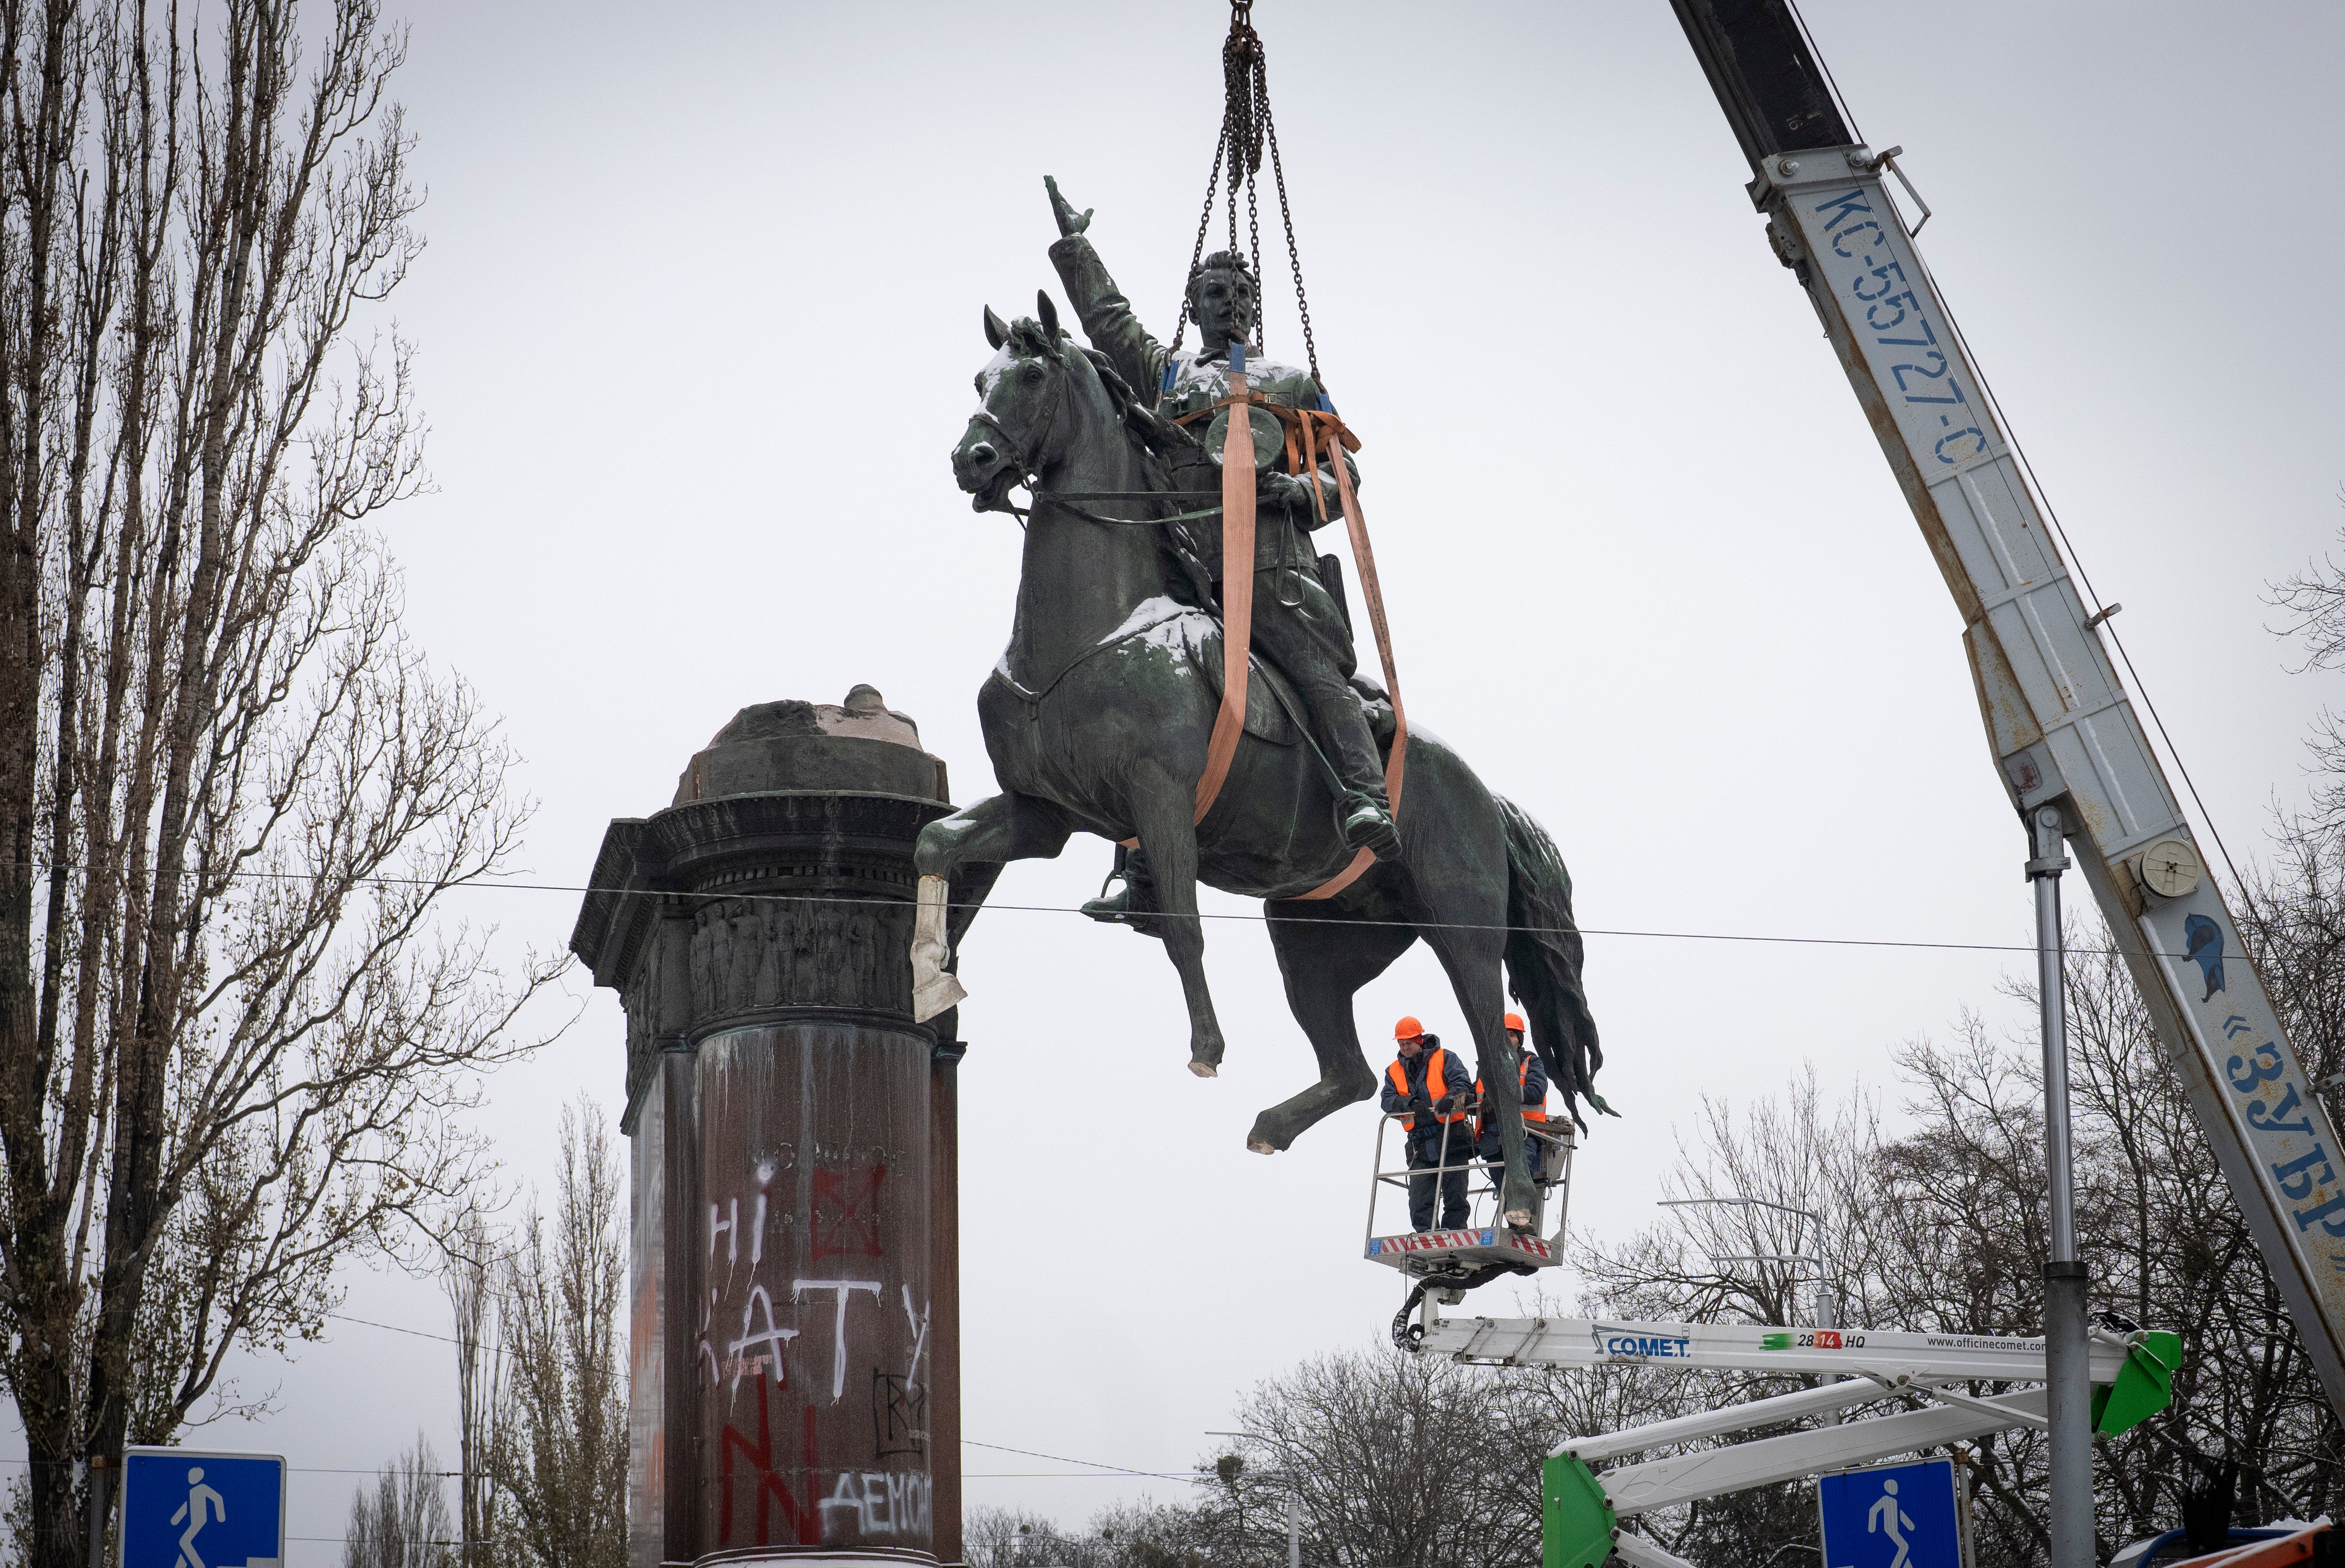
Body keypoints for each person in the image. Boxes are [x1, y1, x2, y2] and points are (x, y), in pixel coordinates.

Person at [1042, 176, 1398, 879]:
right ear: (1194, 304)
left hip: (1272, 572)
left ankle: (1365, 796)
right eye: (1215, 294)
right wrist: (1076, 247)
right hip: (1182, 568)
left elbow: (1345, 478)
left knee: (1307, 668)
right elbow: (1110, 322)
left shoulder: (1290, 382)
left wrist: (1294, 489)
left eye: (1239, 295)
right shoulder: (1168, 374)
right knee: (1131, 690)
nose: (1229, 304)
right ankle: (1140, 866)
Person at [1379, 1015, 1472, 1232]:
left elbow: (1462, 1082)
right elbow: (1386, 1100)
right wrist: (1408, 1102)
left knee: (1455, 1192)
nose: (1404, 1047)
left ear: (1420, 1040)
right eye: (1401, 1044)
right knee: (1419, 1198)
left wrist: (1451, 1098)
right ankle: (1425, 1234)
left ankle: (1455, 1232)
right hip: (1420, 1144)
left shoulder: (1445, 1058)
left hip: (1451, 1136)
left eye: (1408, 1043)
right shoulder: (1393, 1070)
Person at [1475, 1010, 1552, 1193]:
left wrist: (1499, 1095)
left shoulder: (1531, 1062)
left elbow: (1536, 1092)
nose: (1507, 1039)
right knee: (1504, 1193)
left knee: (1519, 1188)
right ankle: (1514, 1222)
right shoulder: (1487, 1067)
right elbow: (1475, 1095)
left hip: (1523, 1134)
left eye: (1511, 1035)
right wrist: (1461, 1098)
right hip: (1493, 1138)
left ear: (1519, 1039)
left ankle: (1523, 1219)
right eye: (1503, 1035)